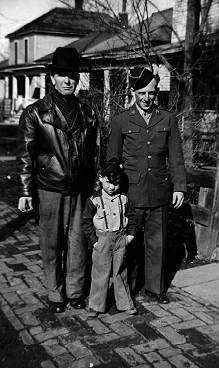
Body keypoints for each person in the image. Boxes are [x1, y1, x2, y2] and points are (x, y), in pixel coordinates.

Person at [17, 47, 99, 313]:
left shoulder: (88, 113)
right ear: (52, 78)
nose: (68, 80)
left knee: (78, 242)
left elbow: (95, 153)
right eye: (62, 75)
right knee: (51, 243)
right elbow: (25, 154)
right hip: (49, 188)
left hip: (79, 189)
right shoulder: (35, 113)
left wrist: (96, 186)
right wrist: (25, 190)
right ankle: (55, 293)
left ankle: (75, 292)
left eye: (72, 75)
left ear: (77, 78)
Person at [107, 68, 187, 304]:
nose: (146, 98)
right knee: (129, 244)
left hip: (160, 191)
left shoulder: (168, 118)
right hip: (131, 193)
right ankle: (127, 290)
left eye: (151, 93)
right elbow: (112, 159)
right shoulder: (121, 120)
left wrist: (179, 187)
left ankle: (155, 288)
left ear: (156, 92)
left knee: (157, 243)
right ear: (133, 92)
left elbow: (176, 157)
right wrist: (112, 190)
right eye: (141, 93)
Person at [82, 160, 137, 318]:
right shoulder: (94, 200)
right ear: (101, 178)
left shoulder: (124, 199)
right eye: (108, 183)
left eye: (116, 183)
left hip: (120, 238)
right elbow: (86, 222)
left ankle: (125, 303)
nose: (112, 187)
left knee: (120, 272)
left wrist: (130, 236)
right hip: (102, 240)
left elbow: (132, 217)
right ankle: (95, 305)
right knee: (100, 273)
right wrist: (94, 241)